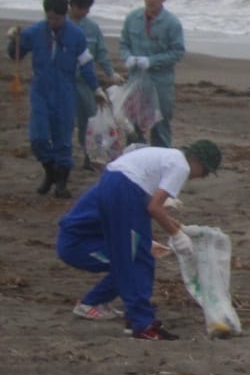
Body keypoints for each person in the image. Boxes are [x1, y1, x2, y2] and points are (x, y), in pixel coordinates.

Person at [56, 139, 222, 340]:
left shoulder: (166, 156)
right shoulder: (181, 166)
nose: (201, 177)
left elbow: (146, 204)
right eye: (204, 172)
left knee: (135, 255)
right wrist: (176, 236)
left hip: (116, 182)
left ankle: (123, 313)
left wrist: (175, 226)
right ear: (197, 161)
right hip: (124, 191)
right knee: (137, 260)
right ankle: (141, 323)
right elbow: (154, 207)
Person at [8, 0, 103, 198]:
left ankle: (61, 182)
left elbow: (86, 64)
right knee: (38, 137)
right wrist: (13, 39)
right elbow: (15, 54)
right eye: (49, 18)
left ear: (64, 14)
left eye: (57, 18)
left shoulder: (76, 35)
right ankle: (49, 171)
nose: (53, 22)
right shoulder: (34, 32)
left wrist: (96, 89)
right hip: (41, 90)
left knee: (63, 138)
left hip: (64, 91)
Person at [119, 0, 185, 148]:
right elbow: (124, 43)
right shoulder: (132, 18)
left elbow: (177, 52)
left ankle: (160, 163)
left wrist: (151, 61)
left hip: (160, 83)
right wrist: (127, 57)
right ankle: (134, 163)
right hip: (136, 81)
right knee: (133, 126)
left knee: (160, 126)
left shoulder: (171, 23)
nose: (151, 0)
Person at [68, 0, 117, 171]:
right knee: (65, 120)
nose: (83, 12)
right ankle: (62, 157)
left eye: (87, 8)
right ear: (71, 5)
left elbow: (101, 53)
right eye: (80, 8)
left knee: (88, 121)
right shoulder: (61, 24)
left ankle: (89, 155)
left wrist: (110, 72)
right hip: (65, 81)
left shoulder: (92, 28)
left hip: (85, 82)